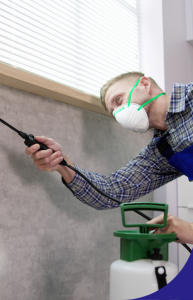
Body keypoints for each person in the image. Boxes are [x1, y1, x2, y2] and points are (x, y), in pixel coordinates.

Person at [25, 72, 193, 245]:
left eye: (119, 100)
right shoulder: (161, 150)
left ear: (144, 84)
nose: (120, 114)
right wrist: (62, 163)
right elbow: (111, 192)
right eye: (115, 113)